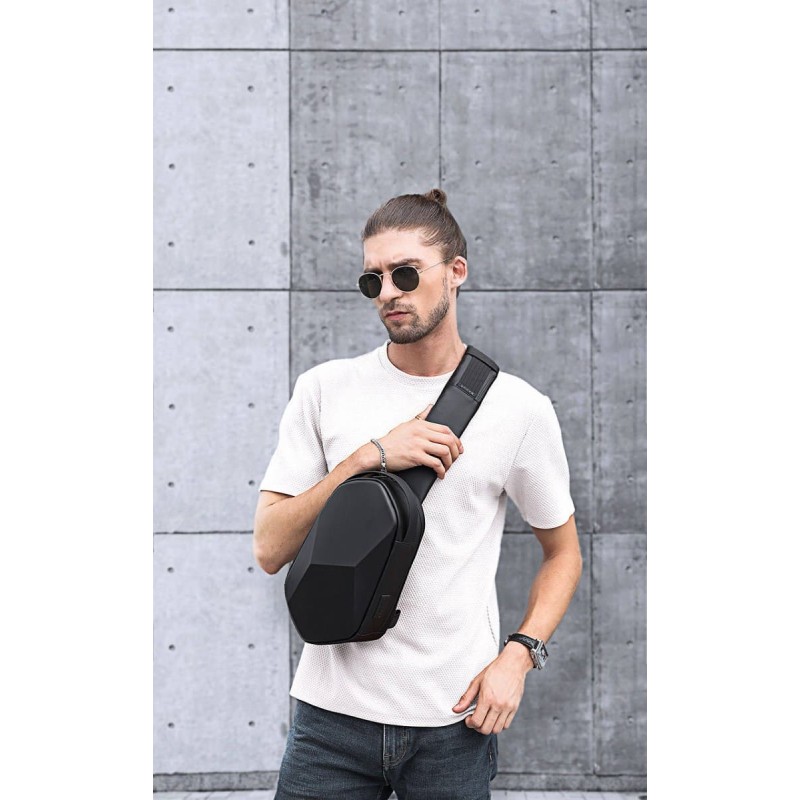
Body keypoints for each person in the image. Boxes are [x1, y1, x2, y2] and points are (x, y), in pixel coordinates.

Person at [252, 189, 583, 800]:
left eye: (405, 273)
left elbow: (563, 553)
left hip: (453, 723)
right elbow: (270, 547)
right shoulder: (324, 389)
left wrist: (519, 656)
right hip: (330, 720)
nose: (388, 293)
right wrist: (367, 457)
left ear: (456, 271)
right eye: (372, 279)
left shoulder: (520, 410)